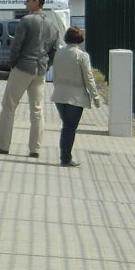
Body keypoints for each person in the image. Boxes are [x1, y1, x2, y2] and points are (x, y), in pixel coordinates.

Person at [0, 0, 64, 157]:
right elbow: (54, 50)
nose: (25, 3)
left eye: (28, 0)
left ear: (36, 2)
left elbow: (17, 45)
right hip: (40, 69)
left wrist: (13, 64)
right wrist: (47, 65)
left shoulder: (26, 21)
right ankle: (35, 148)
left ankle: (3, 144)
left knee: (9, 105)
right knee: (37, 109)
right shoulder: (52, 25)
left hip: (23, 66)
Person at [48, 25, 102, 168]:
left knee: (66, 126)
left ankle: (65, 156)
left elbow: (55, 75)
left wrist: (57, 88)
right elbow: (88, 78)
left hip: (59, 95)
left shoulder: (59, 53)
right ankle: (66, 158)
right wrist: (95, 97)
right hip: (76, 97)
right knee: (70, 128)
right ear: (80, 39)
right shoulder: (82, 56)